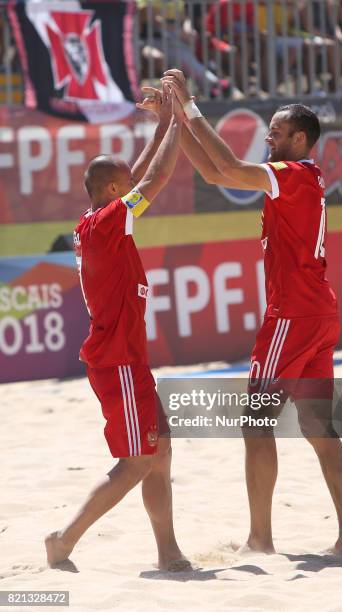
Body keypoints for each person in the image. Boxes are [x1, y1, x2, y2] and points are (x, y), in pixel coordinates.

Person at [161, 69, 342, 555]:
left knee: (255, 425)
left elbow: (228, 166)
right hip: (318, 313)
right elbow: (216, 173)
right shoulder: (304, 177)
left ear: (300, 138)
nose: (267, 136)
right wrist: (177, 121)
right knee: (320, 429)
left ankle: (261, 540)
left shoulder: (291, 175)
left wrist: (189, 106)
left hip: (292, 316)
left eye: (274, 131)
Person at [45, 85, 191, 572]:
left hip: (127, 356)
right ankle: (63, 540)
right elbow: (158, 176)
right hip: (119, 360)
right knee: (139, 461)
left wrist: (162, 122)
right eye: (123, 185)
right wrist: (181, 119)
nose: (130, 186)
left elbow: (139, 173)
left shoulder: (96, 217)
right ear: (112, 193)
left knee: (161, 450)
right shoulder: (109, 222)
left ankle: (168, 552)